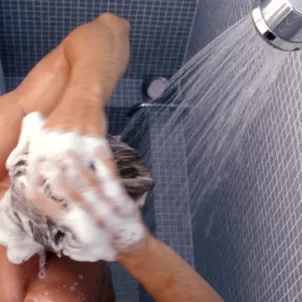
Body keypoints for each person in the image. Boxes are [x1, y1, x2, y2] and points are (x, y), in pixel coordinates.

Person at [0, 13, 223, 302]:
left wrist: (84, 97)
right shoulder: (50, 294)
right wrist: (136, 249)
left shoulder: (9, 136)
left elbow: (112, 27)